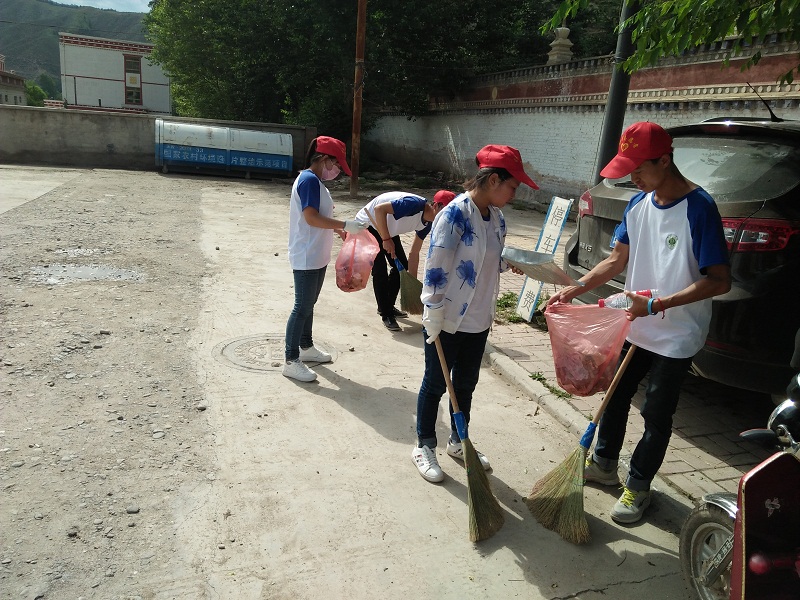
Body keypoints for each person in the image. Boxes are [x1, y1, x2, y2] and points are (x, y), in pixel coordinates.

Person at [548, 121, 731, 522]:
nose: (632, 178)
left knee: (655, 413)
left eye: (638, 169)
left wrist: (659, 304)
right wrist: (575, 288)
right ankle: (604, 464)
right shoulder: (637, 205)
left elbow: (719, 280)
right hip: (635, 321)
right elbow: (616, 260)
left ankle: (639, 485)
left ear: (664, 161)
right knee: (615, 395)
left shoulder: (699, 208)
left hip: (677, 333)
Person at [412, 145, 536, 482]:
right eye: (512, 186)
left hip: (478, 319)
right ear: (493, 180)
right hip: (448, 318)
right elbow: (436, 265)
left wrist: (511, 263)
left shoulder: (497, 218)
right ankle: (424, 445)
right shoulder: (454, 214)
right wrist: (432, 310)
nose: (514, 194)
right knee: (435, 383)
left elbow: (489, 259)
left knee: (465, 385)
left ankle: (459, 441)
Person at [284, 136, 367, 383]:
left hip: (316, 253)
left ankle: (306, 347)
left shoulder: (316, 182)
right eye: (337, 163)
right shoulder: (309, 180)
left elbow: (319, 215)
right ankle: (290, 360)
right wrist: (344, 224)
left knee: (309, 304)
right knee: (302, 307)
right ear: (324, 159)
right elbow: (310, 217)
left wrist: (339, 229)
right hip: (307, 254)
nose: (338, 169)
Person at [355, 190, 456, 331]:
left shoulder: (428, 223)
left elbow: (414, 253)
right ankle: (386, 314)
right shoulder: (414, 205)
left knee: (401, 267)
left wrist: (412, 282)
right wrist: (386, 239)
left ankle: (388, 306)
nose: (447, 217)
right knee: (380, 270)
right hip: (368, 224)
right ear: (435, 205)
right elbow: (379, 210)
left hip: (387, 228)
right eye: (445, 211)